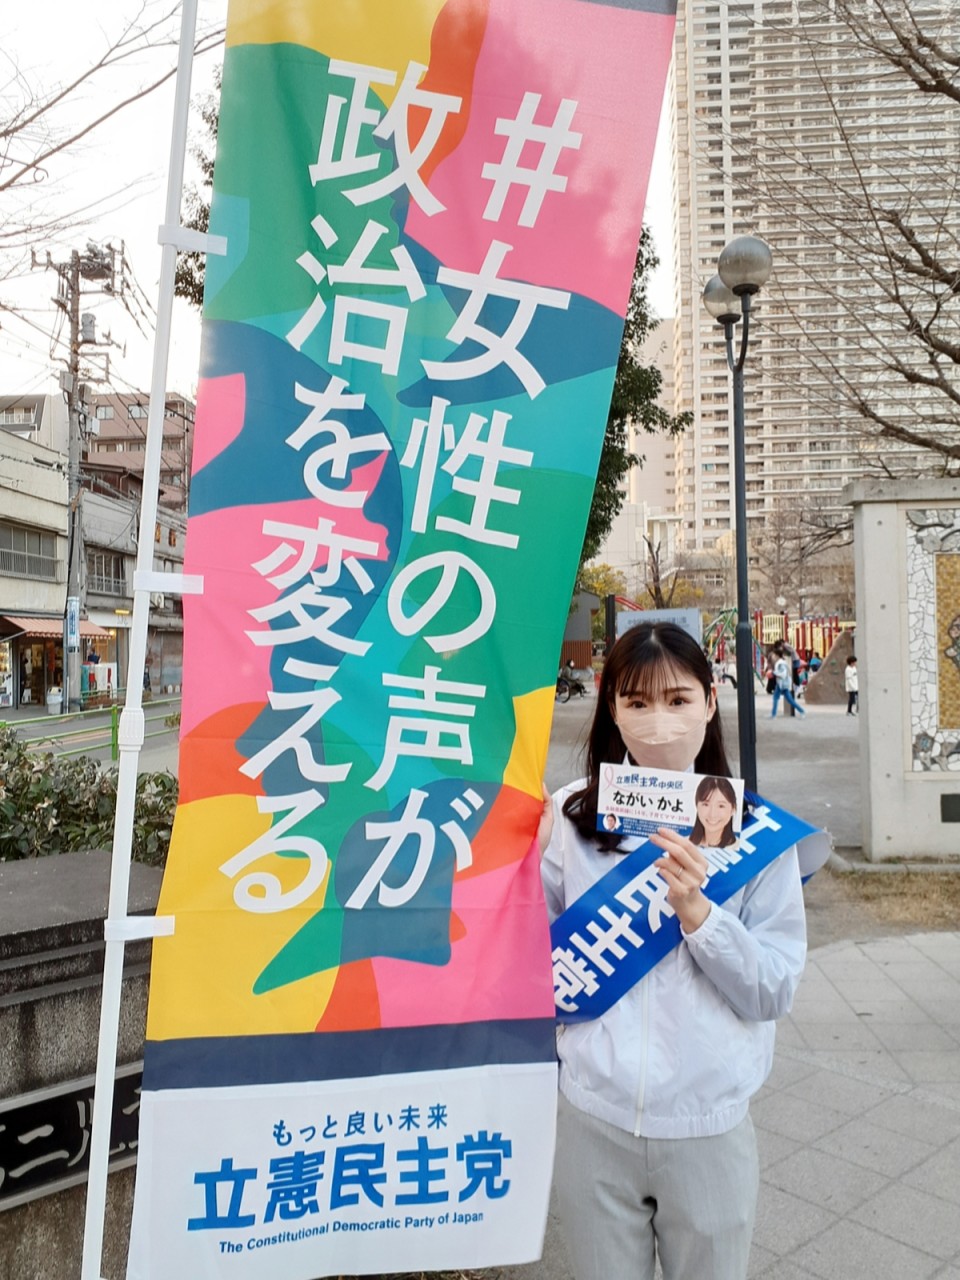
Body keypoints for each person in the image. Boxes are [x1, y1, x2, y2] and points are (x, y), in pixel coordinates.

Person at [538, 622, 807, 1280]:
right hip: (591, 1116)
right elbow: (529, 961)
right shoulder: (568, 815)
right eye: (636, 702)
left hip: (709, 1125)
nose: (658, 721)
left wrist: (701, 916)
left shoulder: (755, 830)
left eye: (678, 699)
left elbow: (773, 989)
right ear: (612, 709)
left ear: (711, 702)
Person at [688, 774, 738, 848]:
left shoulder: (738, 847)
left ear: (733, 808)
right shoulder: (683, 843)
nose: (712, 814)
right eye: (706, 804)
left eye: (721, 806)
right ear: (697, 806)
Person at [770, 645, 805, 718]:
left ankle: (773, 714)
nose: (772, 657)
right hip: (782, 684)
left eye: (773, 655)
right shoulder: (781, 662)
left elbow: (783, 673)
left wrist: (774, 673)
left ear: (777, 655)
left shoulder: (780, 663)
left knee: (778, 699)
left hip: (782, 684)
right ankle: (801, 711)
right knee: (788, 700)